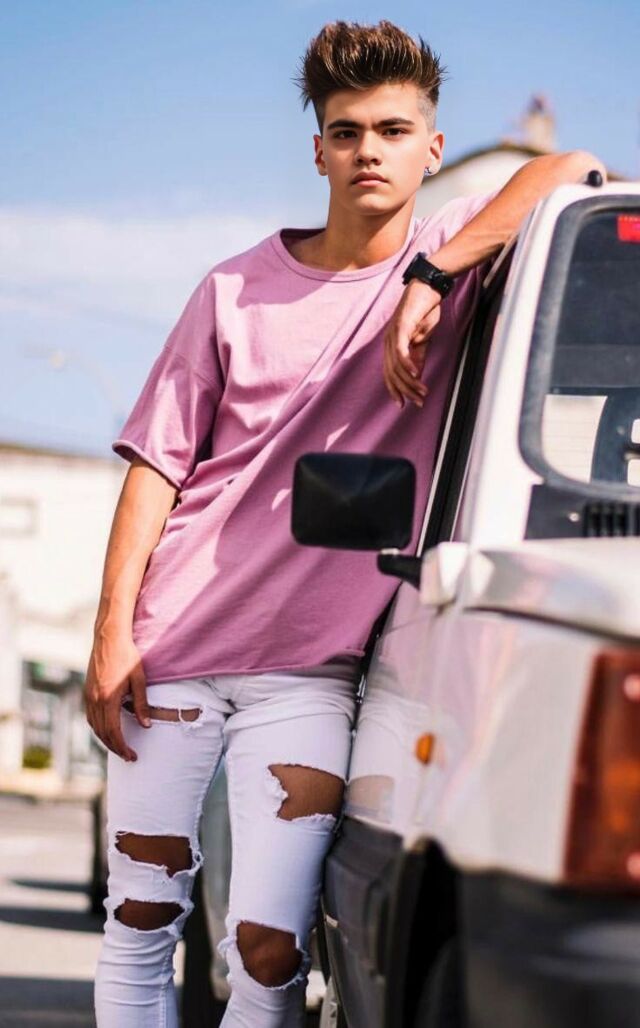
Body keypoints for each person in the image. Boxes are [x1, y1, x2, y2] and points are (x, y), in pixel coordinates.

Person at [85, 18, 605, 1028]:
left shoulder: (449, 259)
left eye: (393, 130)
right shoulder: (232, 289)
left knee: (271, 946)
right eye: (347, 131)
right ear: (317, 149)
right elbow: (155, 467)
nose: (370, 149)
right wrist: (112, 633)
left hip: (307, 674)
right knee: (141, 916)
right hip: (171, 654)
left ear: (432, 148)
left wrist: (433, 276)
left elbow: (573, 168)